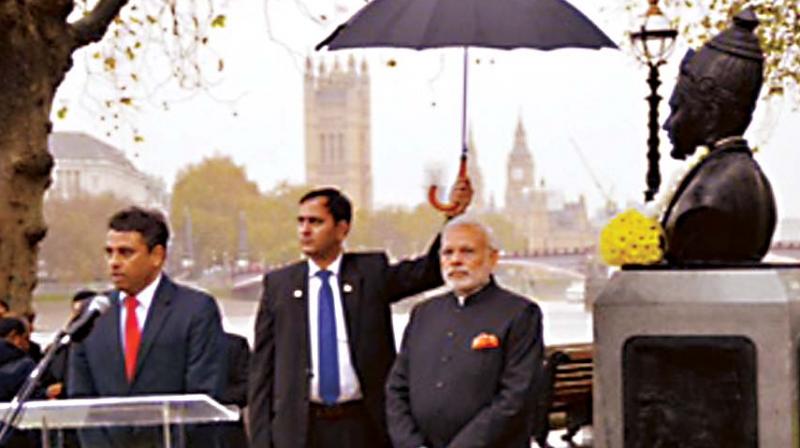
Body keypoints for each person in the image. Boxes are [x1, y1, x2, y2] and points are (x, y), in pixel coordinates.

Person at [249, 181, 472, 448]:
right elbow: (261, 371)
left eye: (315, 222)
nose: (305, 230)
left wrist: (452, 217)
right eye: (301, 222)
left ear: (342, 229)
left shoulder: (370, 273)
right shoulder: (279, 286)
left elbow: (429, 271)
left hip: (362, 426)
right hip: (300, 430)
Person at [68, 206, 226, 448]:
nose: (114, 262)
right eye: (109, 252)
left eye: (125, 253)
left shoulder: (195, 310)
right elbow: (80, 398)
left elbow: (202, 396)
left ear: (157, 256)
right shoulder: (93, 314)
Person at [386, 217, 544, 448]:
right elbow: (397, 388)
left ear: (492, 258)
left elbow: (516, 395)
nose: (456, 260)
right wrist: (410, 443)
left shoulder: (520, 314)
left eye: (467, 252)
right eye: (448, 253)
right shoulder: (423, 313)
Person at [660, 8, 776, 263]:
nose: (667, 125)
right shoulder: (748, 177)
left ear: (710, 114)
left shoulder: (709, 198)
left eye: (678, 109)